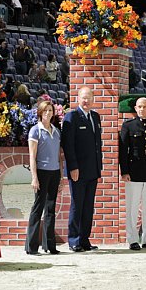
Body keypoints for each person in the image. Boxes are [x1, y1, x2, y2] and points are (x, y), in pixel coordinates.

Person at [61, 87, 102, 252]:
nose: (86, 101)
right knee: (77, 206)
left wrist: (99, 167)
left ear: (93, 99)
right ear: (78, 99)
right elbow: (68, 145)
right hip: (77, 171)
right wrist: (73, 167)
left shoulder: (95, 117)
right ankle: (74, 240)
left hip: (92, 169)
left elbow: (97, 145)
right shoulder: (72, 116)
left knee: (88, 207)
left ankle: (85, 240)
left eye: (89, 98)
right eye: (83, 98)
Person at [119, 97, 146, 251]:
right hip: (134, 172)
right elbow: (123, 151)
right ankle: (132, 239)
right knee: (132, 206)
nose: (142, 109)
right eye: (139, 107)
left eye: (144, 107)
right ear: (135, 109)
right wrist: (124, 171)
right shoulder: (128, 126)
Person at [25, 100, 62, 255]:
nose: (48, 113)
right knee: (38, 208)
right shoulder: (35, 131)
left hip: (54, 173)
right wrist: (34, 177)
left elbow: (59, 156)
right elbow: (32, 157)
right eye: (45, 110)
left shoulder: (56, 131)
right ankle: (31, 247)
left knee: (51, 209)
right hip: (41, 172)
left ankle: (49, 245)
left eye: (50, 110)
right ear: (40, 112)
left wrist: (60, 175)